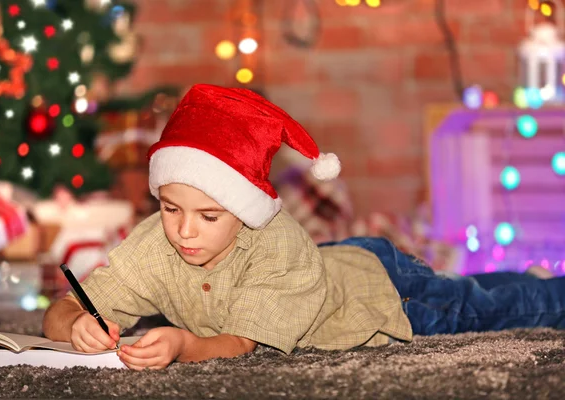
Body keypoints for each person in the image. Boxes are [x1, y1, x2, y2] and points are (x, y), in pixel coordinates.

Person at [43, 84, 565, 371]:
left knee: (493, 307)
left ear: (242, 211)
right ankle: (532, 273)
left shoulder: (274, 244)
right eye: (170, 208)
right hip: (331, 261)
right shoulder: (155, 241)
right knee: (479, 287)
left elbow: (238, 345)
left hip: (379, 293)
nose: (183, 231)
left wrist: (182, 344)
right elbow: (65, 306)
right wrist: (74, 324)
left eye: (208, 216)